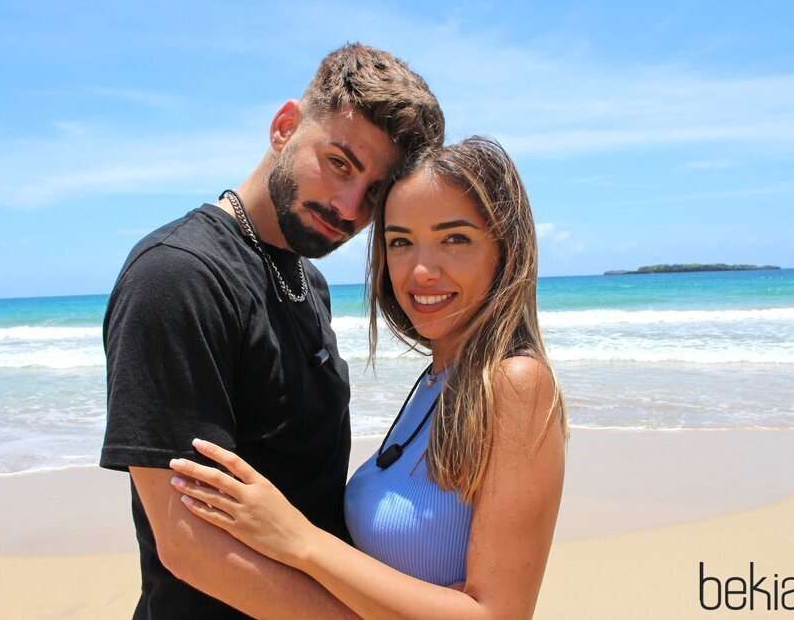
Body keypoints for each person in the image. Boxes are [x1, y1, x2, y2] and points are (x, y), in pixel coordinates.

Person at [100, 43, 444, 620]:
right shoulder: (178, 274)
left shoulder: (308, 280)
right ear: (285, 127)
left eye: (375, 194)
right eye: (339, 163)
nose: (348, 207)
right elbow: (188, 544)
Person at [169, 137, 569, 619]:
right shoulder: (438, 380)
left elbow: (496, 616)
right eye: (400, 242)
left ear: (505, 250)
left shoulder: (515, 383)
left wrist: (298, 539)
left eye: (455, 239)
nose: (421, 270)